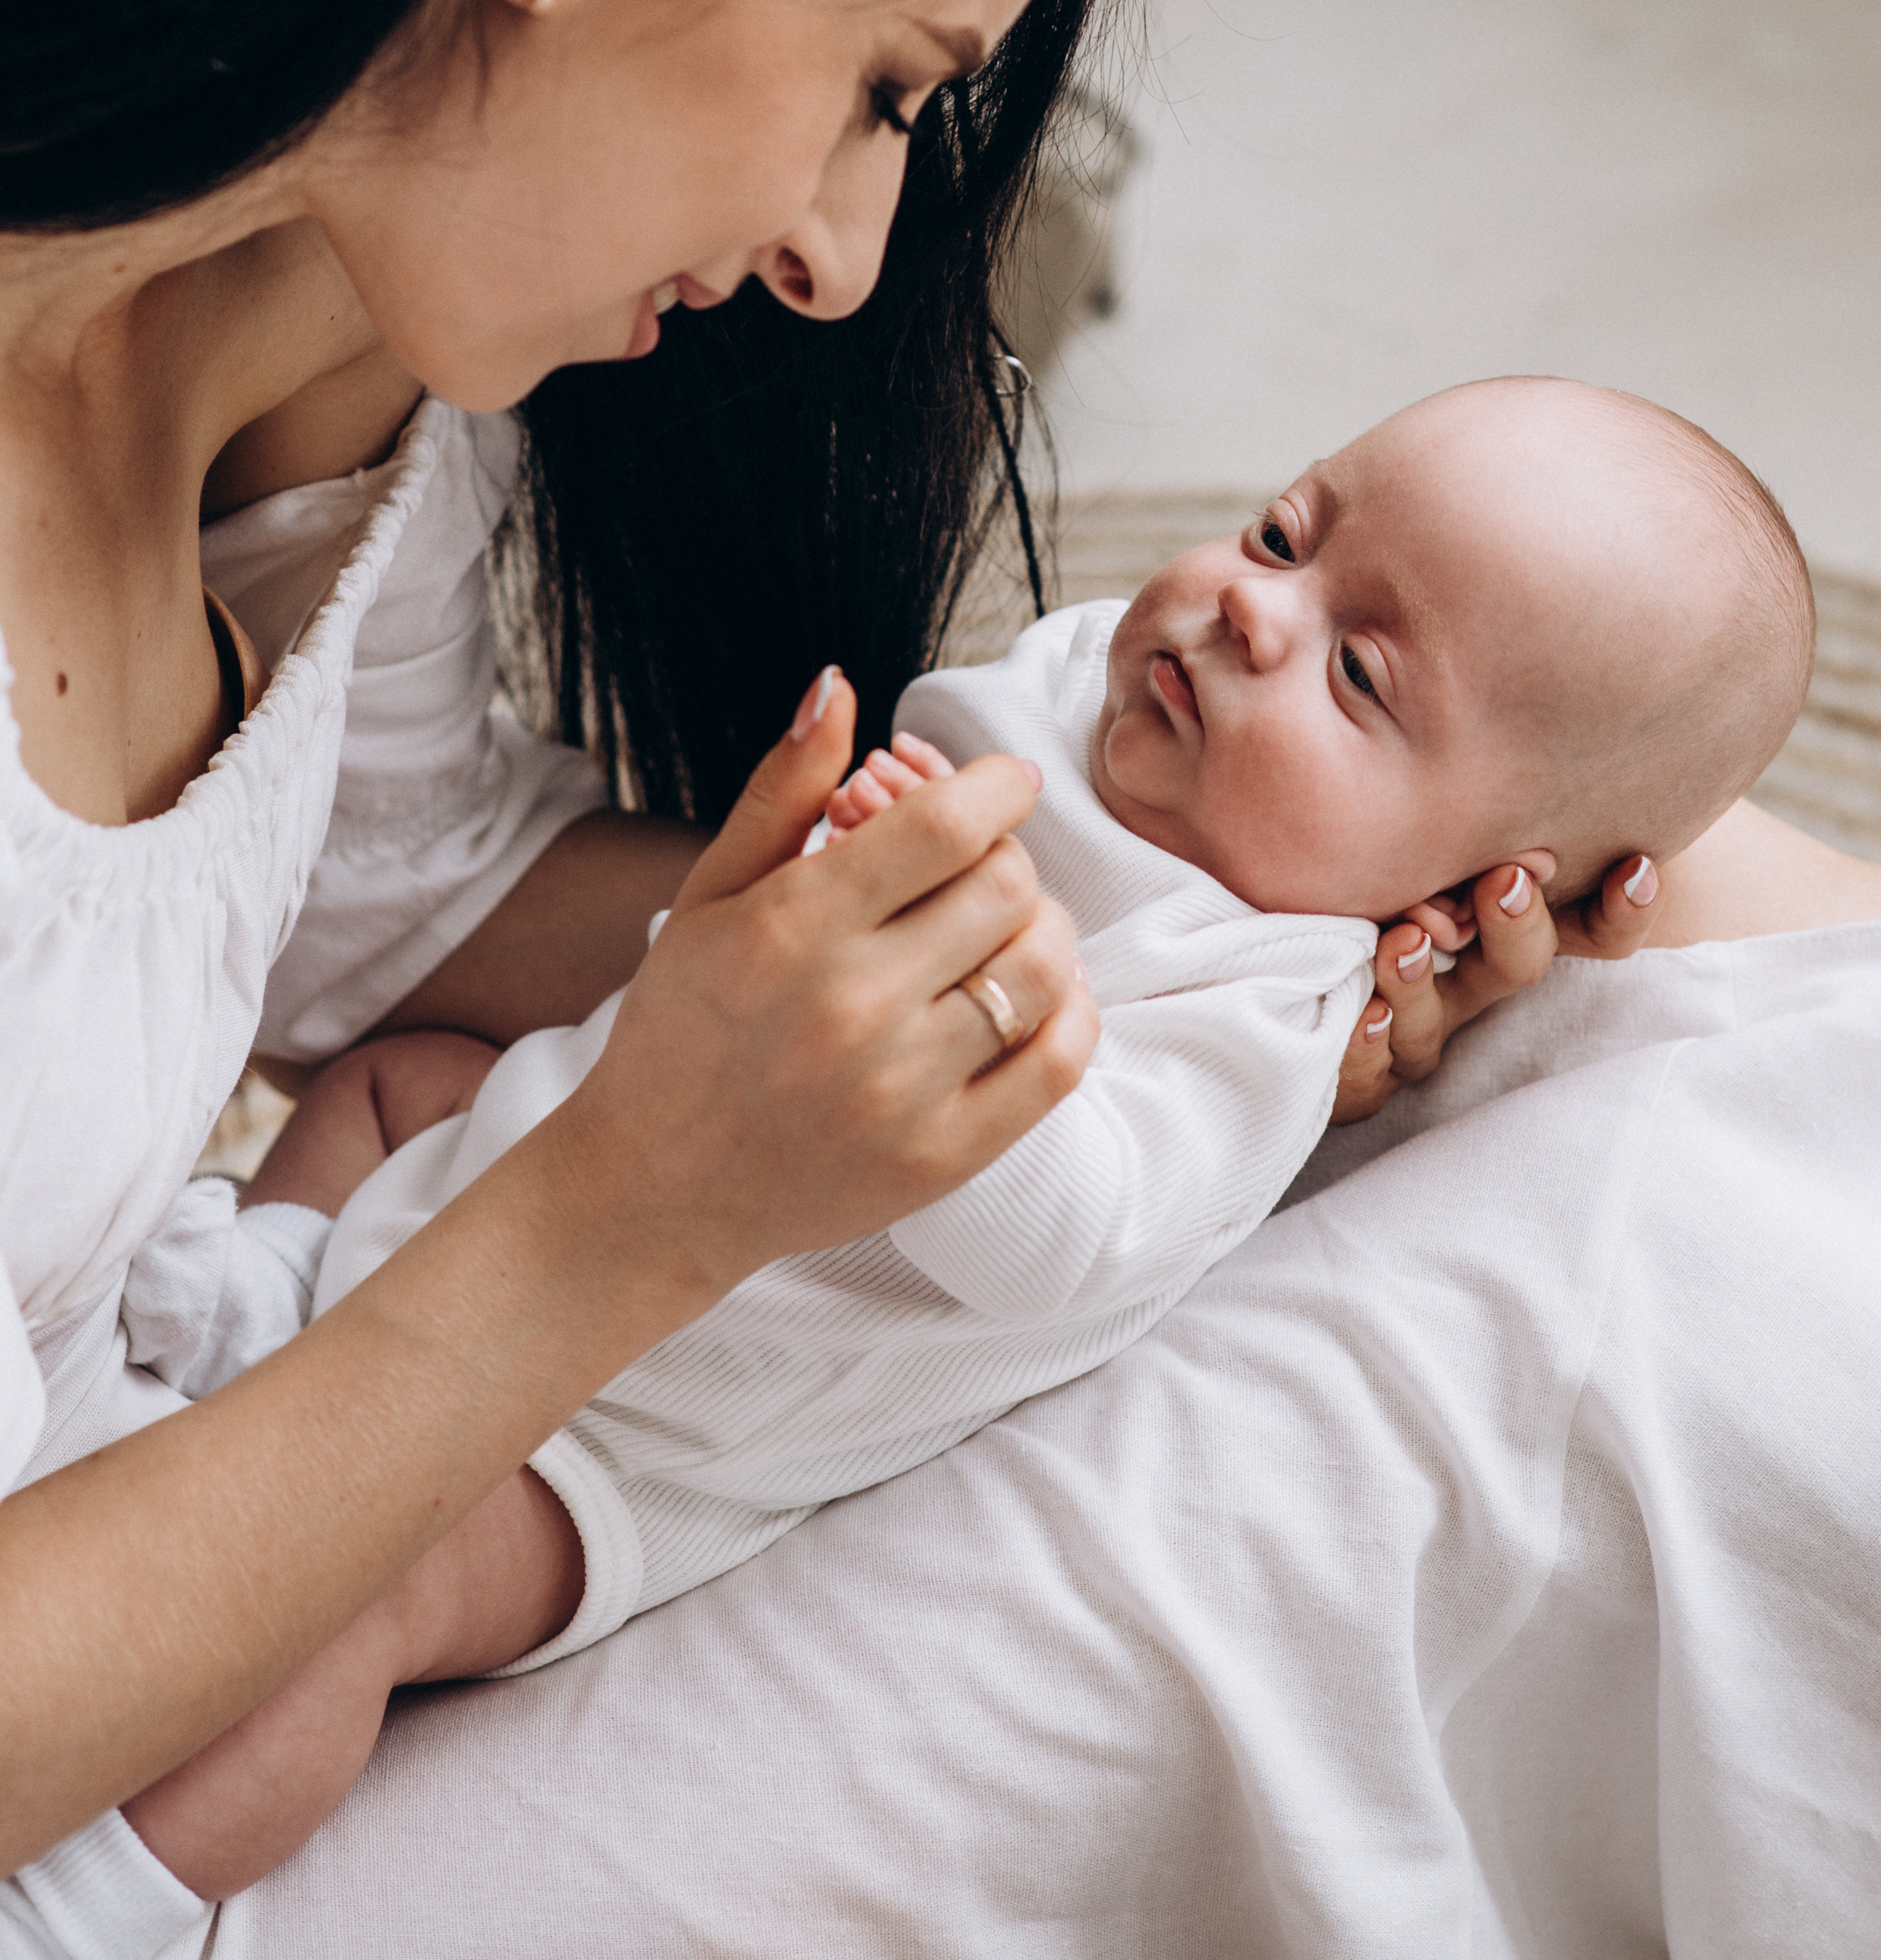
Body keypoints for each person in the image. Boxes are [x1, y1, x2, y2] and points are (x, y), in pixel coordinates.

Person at [0, 0, 1180, 1954]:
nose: (848, 260)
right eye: (887, 89)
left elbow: (381, 904)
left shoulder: (309, 338)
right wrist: (621, 1219)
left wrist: (1144, 929)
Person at [109, 374, 1815, 1897]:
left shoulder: (1260, 1011)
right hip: (528, 1158)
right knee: (392, 1079)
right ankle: (267, 1294)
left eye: (1358, 673)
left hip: (613, 1438)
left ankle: (117, 1898)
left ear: (1458, 896)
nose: (1246, 612)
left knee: (351, 1611)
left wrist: (969, 1005)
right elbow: (954, 729)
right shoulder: (1116, 688)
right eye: (1284, 529)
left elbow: (1066, 1239)